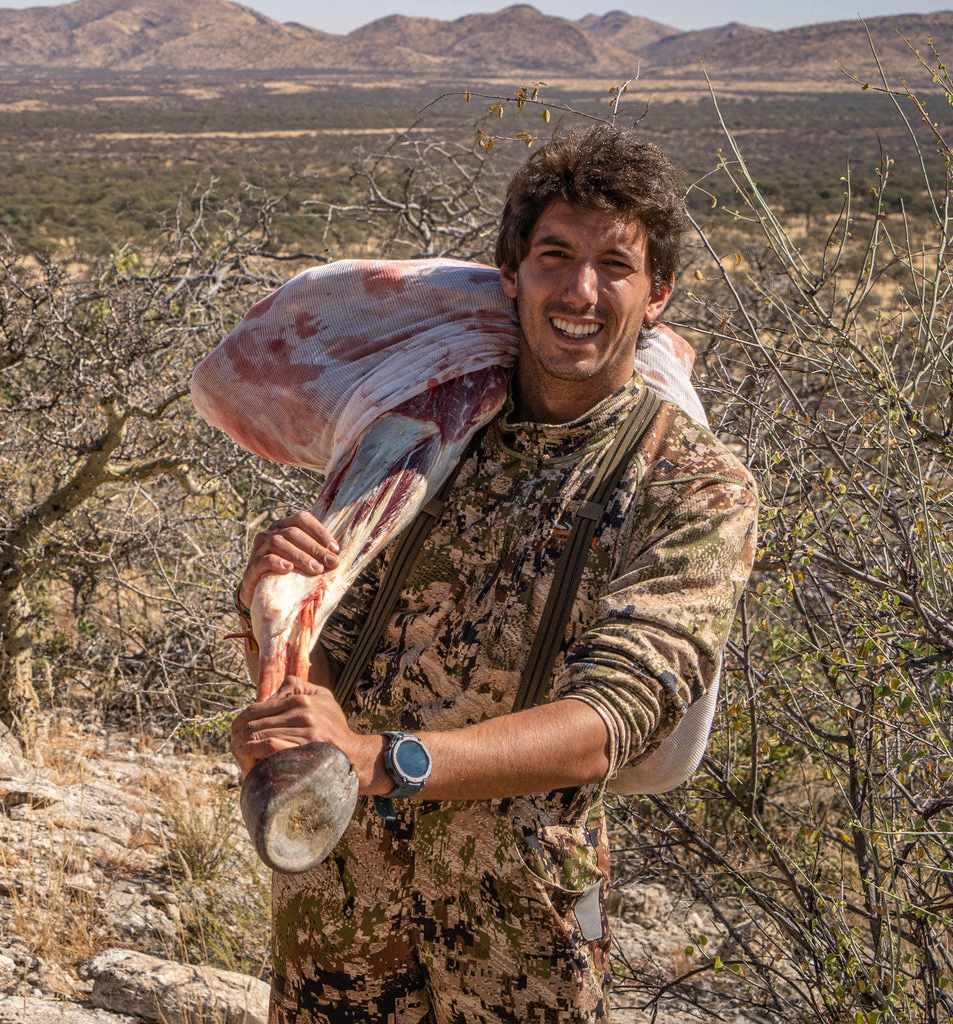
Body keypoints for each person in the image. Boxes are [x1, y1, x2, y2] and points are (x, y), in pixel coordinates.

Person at [230, 125, 758, 1023]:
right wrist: (274, 614)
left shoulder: (693, 485)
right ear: (510, 274)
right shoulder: (418, 431)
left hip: (519, 938)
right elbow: (329, 671)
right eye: (555, 256)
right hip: (338, 913)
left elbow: (610, 721)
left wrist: (382, 760)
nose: (580, 291)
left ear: (658, 293)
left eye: (615, 266)